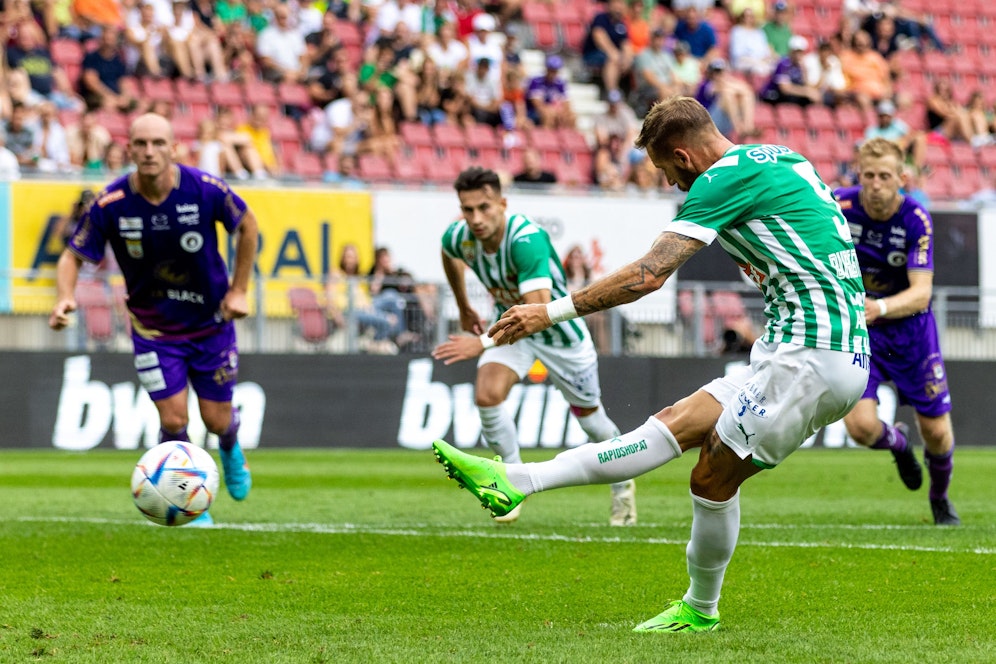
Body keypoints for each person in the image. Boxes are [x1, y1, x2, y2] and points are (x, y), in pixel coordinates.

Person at [431, 96, 870, 631]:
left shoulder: (718, 181)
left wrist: (552, 312)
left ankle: (700, 609)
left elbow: (648, 275)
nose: (669, 185)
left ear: (683, 158)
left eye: (665, 171)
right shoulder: (782, 157)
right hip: (801, 351)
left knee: (710, 479)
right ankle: (515, 480)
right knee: (672, 424)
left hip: (809, 358)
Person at [48, 113, 257, 526]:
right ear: (129, 149)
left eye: (158, 143)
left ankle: (230, 446)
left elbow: (248, 227)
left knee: (216, 420)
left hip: (211, 324)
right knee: (174, 419)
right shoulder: (111, 203)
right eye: (140, 144)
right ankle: (189, 505)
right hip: (154, 332)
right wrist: (64, 298)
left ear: (173, 148)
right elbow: (73, 256)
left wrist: (239, 289)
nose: (148, 152)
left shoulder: (205, 190)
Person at [431, 166, 637, 526]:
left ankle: (622, 487)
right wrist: (464, 305)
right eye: (468, 209)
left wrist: (479, 343)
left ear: (502, 203)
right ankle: (511, 483)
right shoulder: (460, 237)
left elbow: (536, 314)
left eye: (484, 207)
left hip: (559, 337)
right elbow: (448, 254)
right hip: (508, 329)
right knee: (487, 394)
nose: (476, 218)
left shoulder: (526, 241)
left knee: (593, 423)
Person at [834, 137, 959, 526]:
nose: (875, 184)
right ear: (859, 174)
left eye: (885, 176)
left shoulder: (915, 218)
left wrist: (881, 307)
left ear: (901, 178)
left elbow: (922, 294)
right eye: (868, 175)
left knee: (937, 434)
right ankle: (900, 445)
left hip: (909, 331)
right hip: (861, 331)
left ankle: (939, 498)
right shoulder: (837, 205)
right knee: (859, 427)